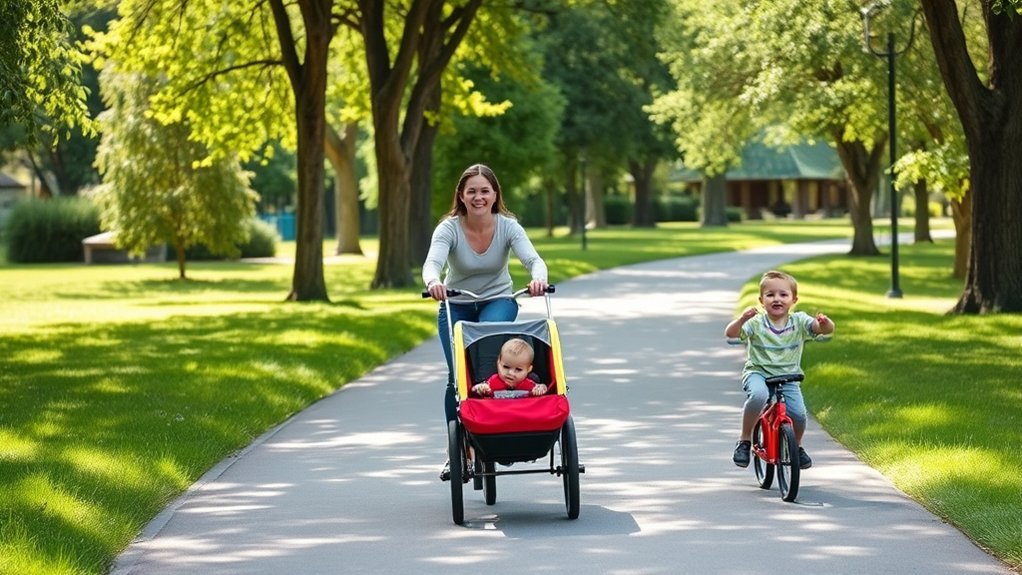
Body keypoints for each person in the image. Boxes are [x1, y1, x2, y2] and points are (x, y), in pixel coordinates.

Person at [423, 163, 548, 479]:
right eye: (472, 191)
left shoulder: (508, 227)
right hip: (457, 305)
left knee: (495, 366)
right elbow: (432, 264)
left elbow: (533, 260)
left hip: (498, 301)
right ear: (461, 196)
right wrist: (432, 283)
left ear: (495, 195)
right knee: (457, 379)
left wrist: (538, 279)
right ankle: (458, 451)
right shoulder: (449, 229)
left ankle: (498, 428)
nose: (479, 197)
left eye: (485, 191)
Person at [725, 270, 835, 470]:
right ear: (761, 300)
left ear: (794, 299)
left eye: (783, 295)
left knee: (799, 415)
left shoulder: (799, 321)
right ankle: (745, 440)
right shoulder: (756, 323)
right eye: (770, 295)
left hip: (788, 377)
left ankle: (797, 447)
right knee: (758, 396)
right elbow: (731, 333)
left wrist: (825, 324)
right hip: (758, 372)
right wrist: (741, 320)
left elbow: (823, 330)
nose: (777, 299)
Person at [471, 338, 549, 398]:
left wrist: (541, 388)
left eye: (518, 369)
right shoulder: (492, 382)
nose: (511, 373)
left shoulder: (530, 384)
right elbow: (475, 389)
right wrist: (480, 388)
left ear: (528, 369)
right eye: (506, 367)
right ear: (498, 363)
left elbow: (543, 389)